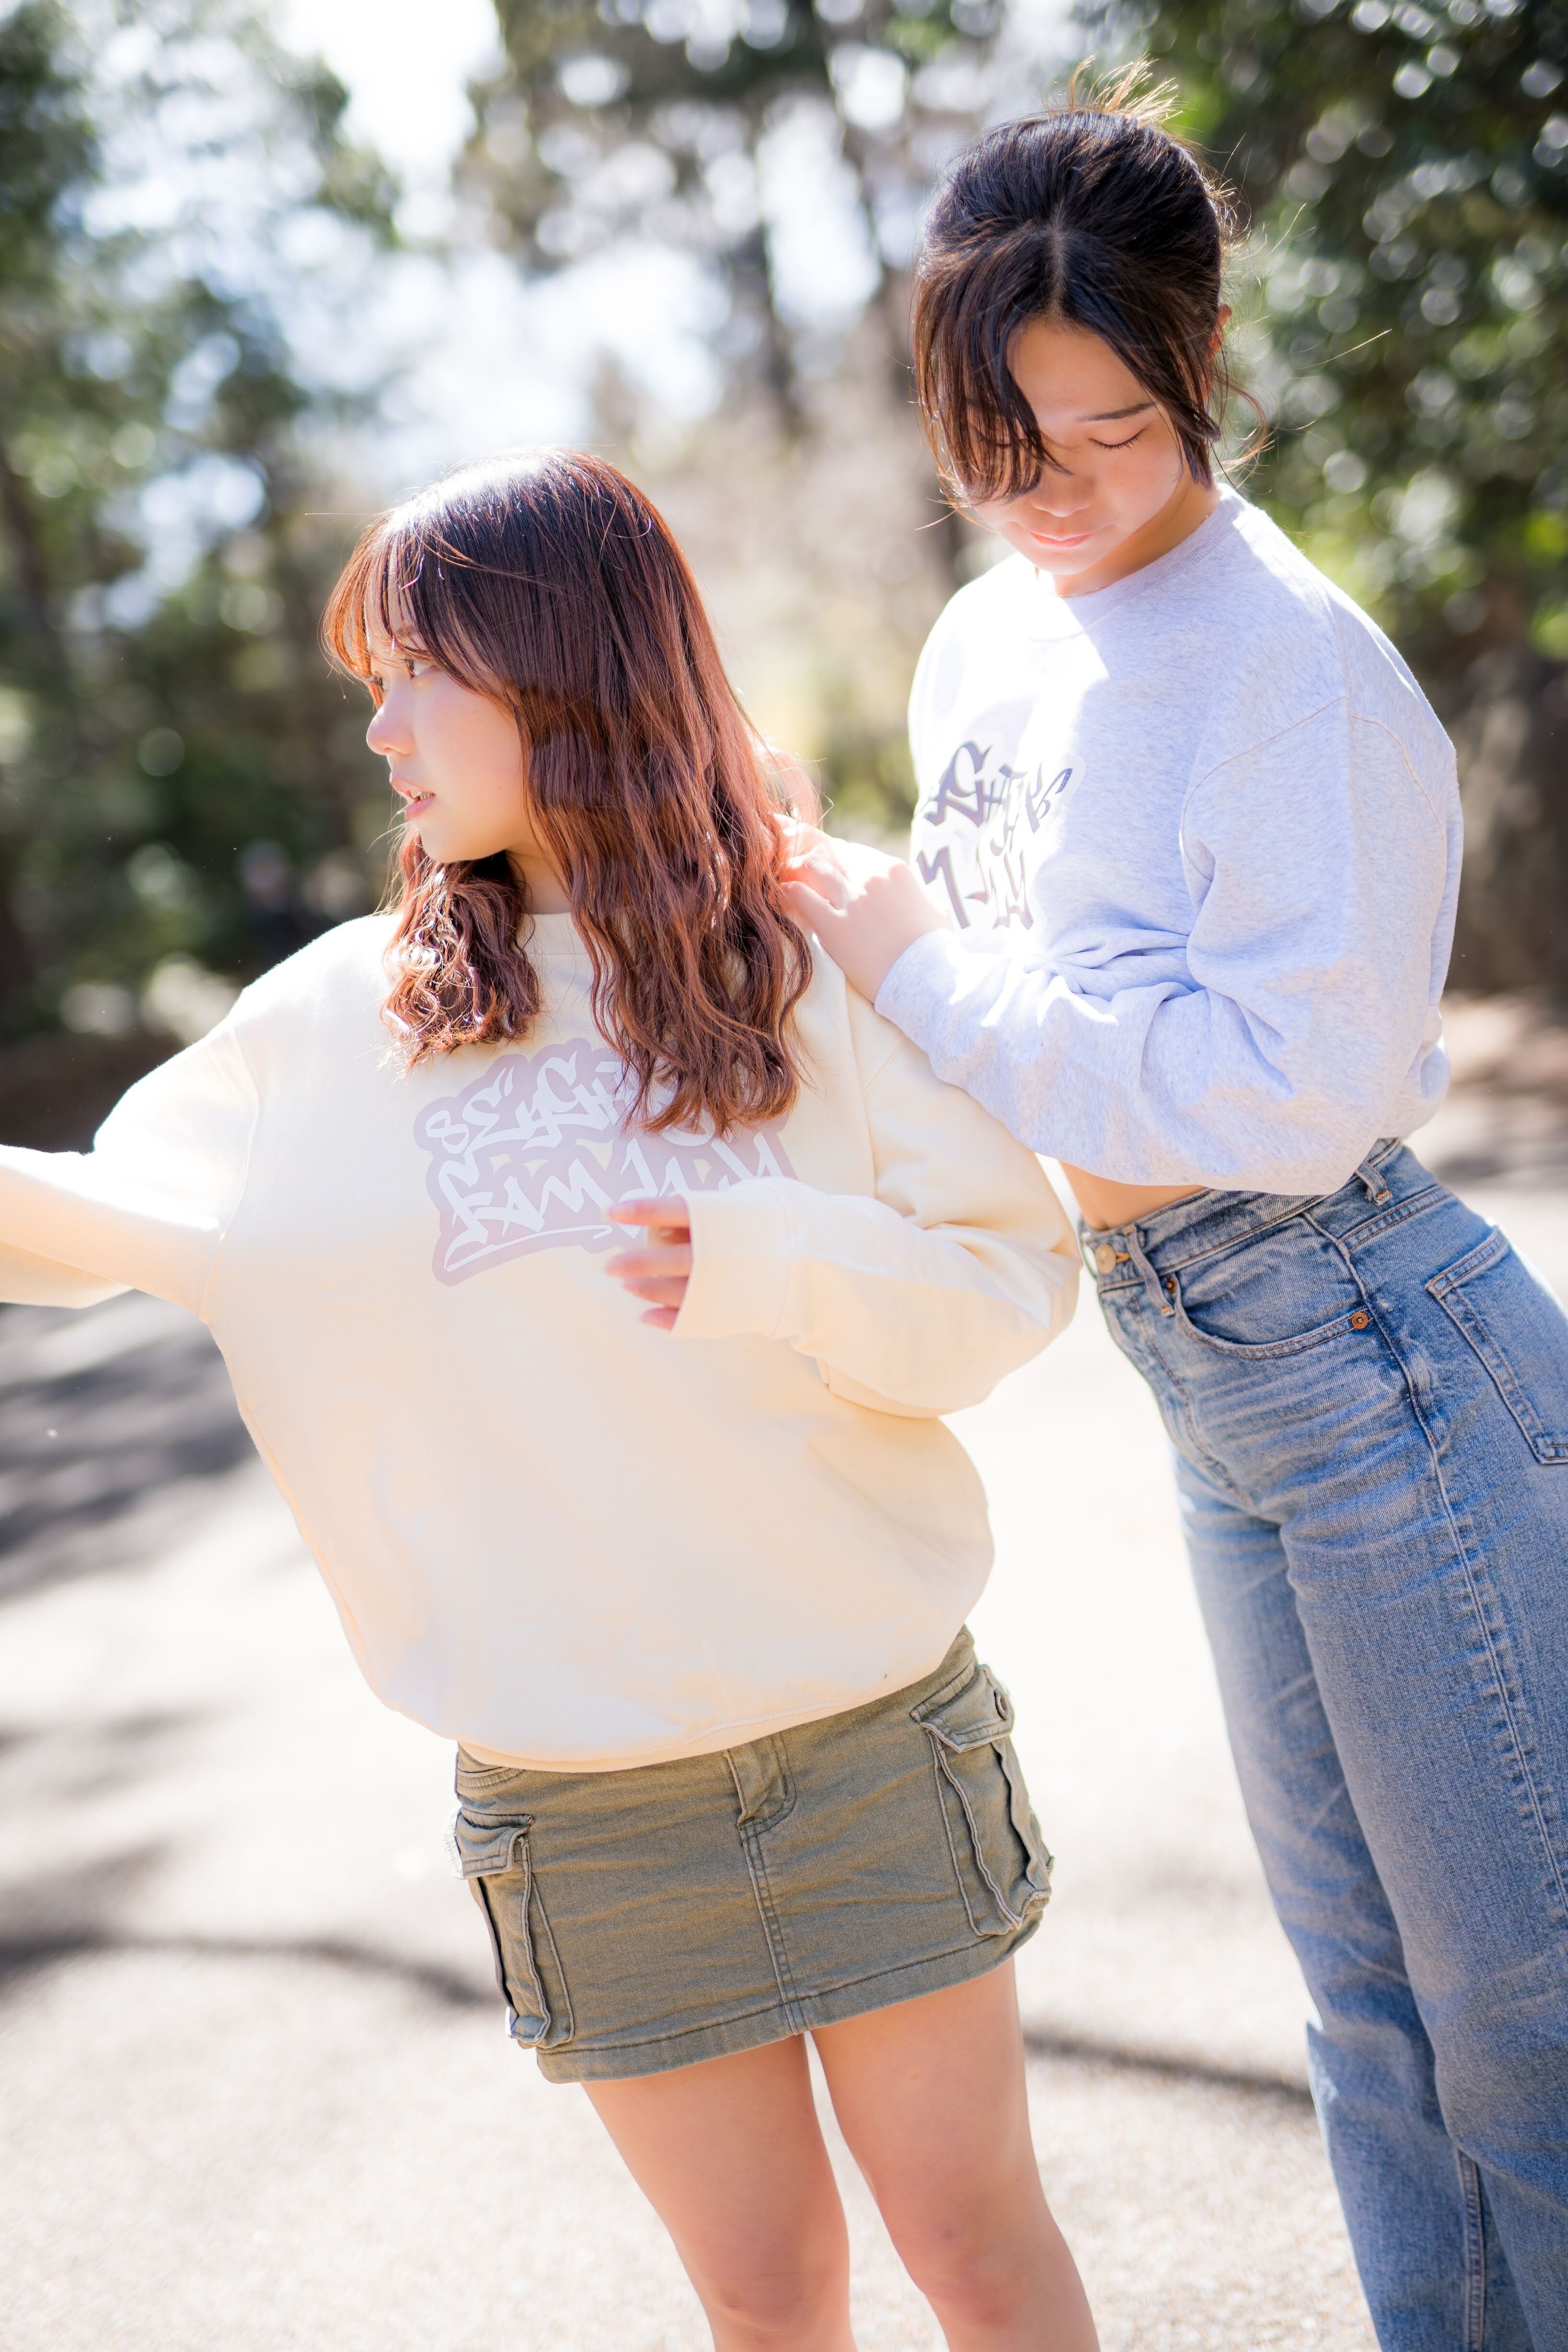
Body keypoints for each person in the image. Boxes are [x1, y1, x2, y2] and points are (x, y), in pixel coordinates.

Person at [0, 451, 1098, 2352]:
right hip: (581, 1809)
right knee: (764, 2300)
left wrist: (772, 1254)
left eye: (419, 674)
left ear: (565, 665)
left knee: (977, 2249)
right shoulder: (333, 1017)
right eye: (372, 685)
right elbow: (103, 1220)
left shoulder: (802, 957)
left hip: (867, 1742)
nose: (381, 731)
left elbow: (1009, 1281)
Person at [785, 78, 1568, 2352]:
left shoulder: (1287, 666)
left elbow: (1286, 1097)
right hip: (1202, 1362)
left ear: (1199, 361)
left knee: (1515, 2023)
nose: (1047, 489)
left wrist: (916, 959)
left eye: (1107, 430)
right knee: (1361, 2006)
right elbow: (987, 1009)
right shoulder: (981, 642)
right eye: (993, 443)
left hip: (1363, 1339)